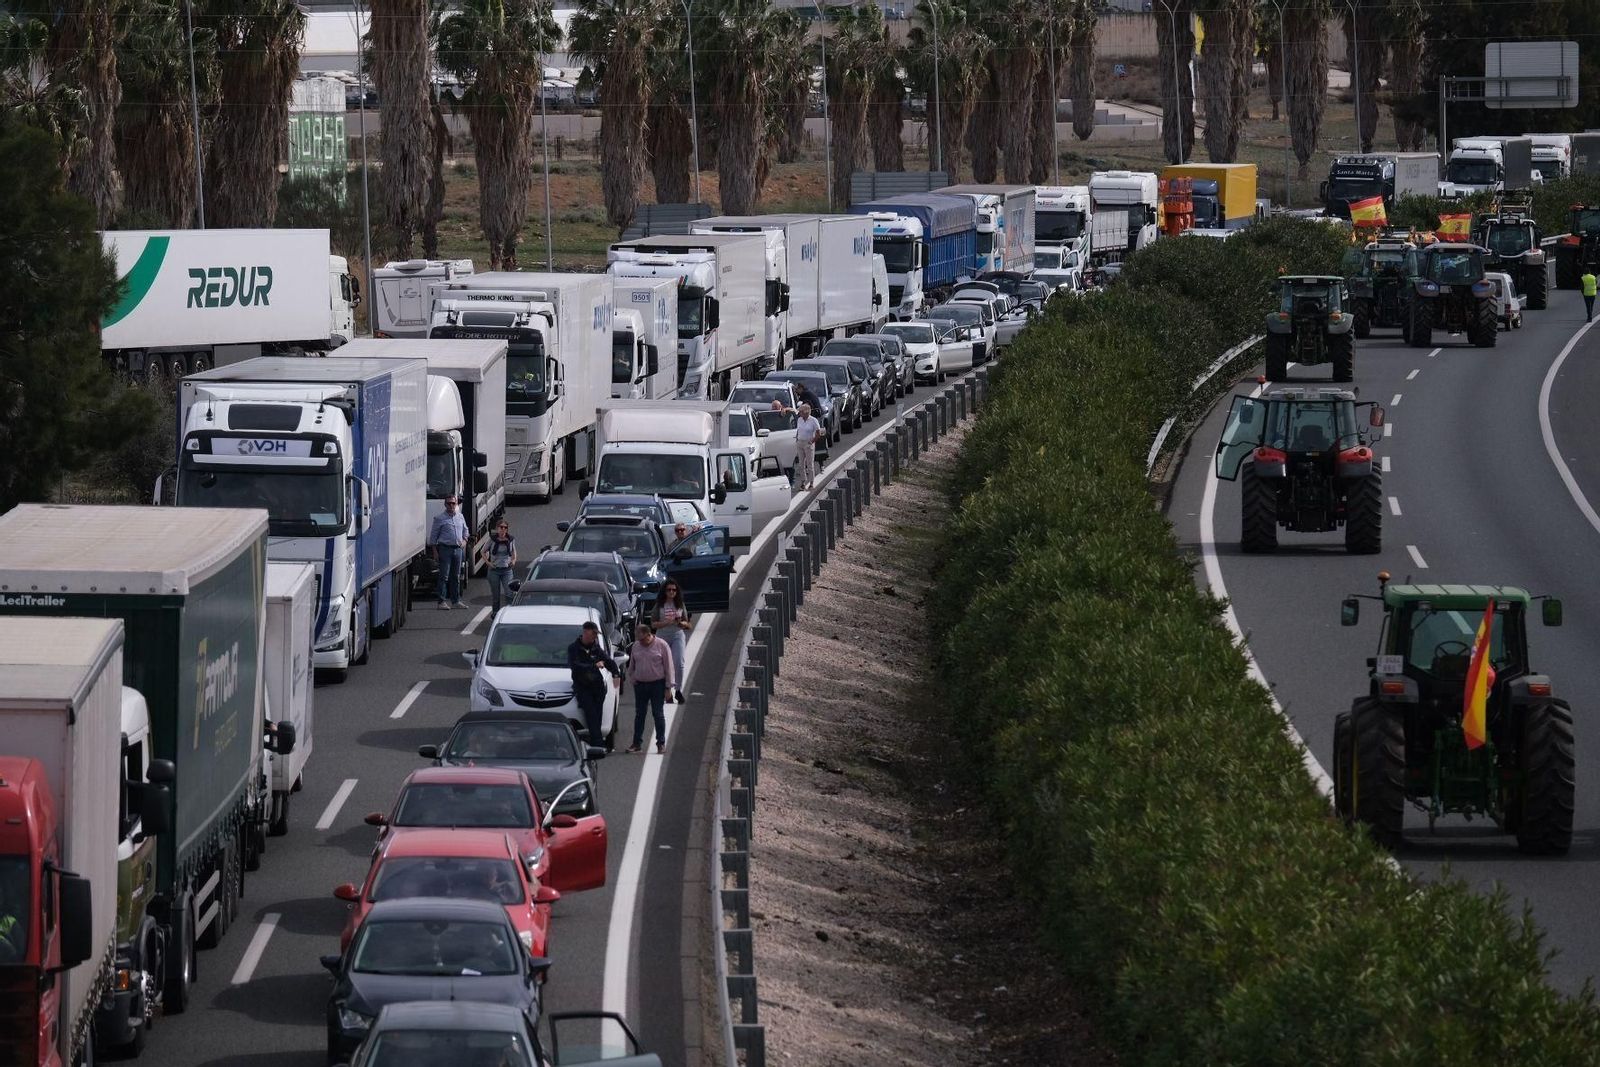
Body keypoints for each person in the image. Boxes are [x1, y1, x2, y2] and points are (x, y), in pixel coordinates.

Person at [566, 621, 621, 746]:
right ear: (585, 632)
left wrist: (616, 674)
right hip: (583, 686)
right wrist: (593, 665)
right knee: (590, 713)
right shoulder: (574, 648)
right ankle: (598, 743)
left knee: (598, 714)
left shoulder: (596, 648)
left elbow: (608, 661)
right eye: (593, 634)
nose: (595, 637)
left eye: (596, 634)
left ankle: (596, 740)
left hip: (597, 687)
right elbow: (574, 665)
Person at [626, 623, 675, 754]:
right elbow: (631, 665)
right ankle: (636, 743)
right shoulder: (636, 646)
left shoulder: (662, 645)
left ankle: (661, 744)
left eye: (642, 639)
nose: (640, 642)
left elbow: (669, 667)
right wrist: (633, 679)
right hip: (640, 685)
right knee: (640, 714)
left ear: (649, 635)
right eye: (638, 639)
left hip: (657, 684)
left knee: (658, 714)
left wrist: (668, 687)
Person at [651, 580, 692, 702]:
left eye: (674, 590)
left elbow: (688, 624)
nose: (671, 592)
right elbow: (653, 624)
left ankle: (678, 690)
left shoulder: (680, 604)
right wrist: (666, 622)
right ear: (665, 591)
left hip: (677, 635)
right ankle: (666, 690)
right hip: (662, 635)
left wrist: (681, 623)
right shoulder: (659, 605)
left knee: (679, 662)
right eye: (669, 590)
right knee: (663, 664)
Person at [428, 496, 470, 608]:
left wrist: (465, 540)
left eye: (453, 503)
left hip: (458, 549)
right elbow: (433, 538)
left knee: (456, 576)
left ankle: (456, 601)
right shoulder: (439, 518)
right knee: (444, 576)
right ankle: (441, 601)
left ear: (456, 504)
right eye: (449, 503)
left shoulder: (460, 517)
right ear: (445, 504)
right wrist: (435, 552)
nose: (451, 506)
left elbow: (466, 531)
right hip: (445, 549)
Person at [484, 520, 517, 612]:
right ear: (497, 528)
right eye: (501, 527)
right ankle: (495, 613)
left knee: (509, 593)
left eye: (505, 527)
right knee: (496, 595)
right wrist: (488, 562)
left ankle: (510, 612)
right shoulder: (492, 539)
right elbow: (483, 551)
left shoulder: (511, 539)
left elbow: (514, 551)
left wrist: (514, 560)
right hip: (494, 570)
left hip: (507, 570)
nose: (503, 529)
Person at [794, 402, 822, 490]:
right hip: (800, 442)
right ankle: (803, 482)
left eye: (801, 411)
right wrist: (797, 439)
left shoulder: (813, 420)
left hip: (808, 442)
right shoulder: (799, 420)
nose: (800, 413)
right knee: (801, 464)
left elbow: (818, 433)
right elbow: (798, 430)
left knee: (810, 464)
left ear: (806, 411)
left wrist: (812, 441)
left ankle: (811, 483)